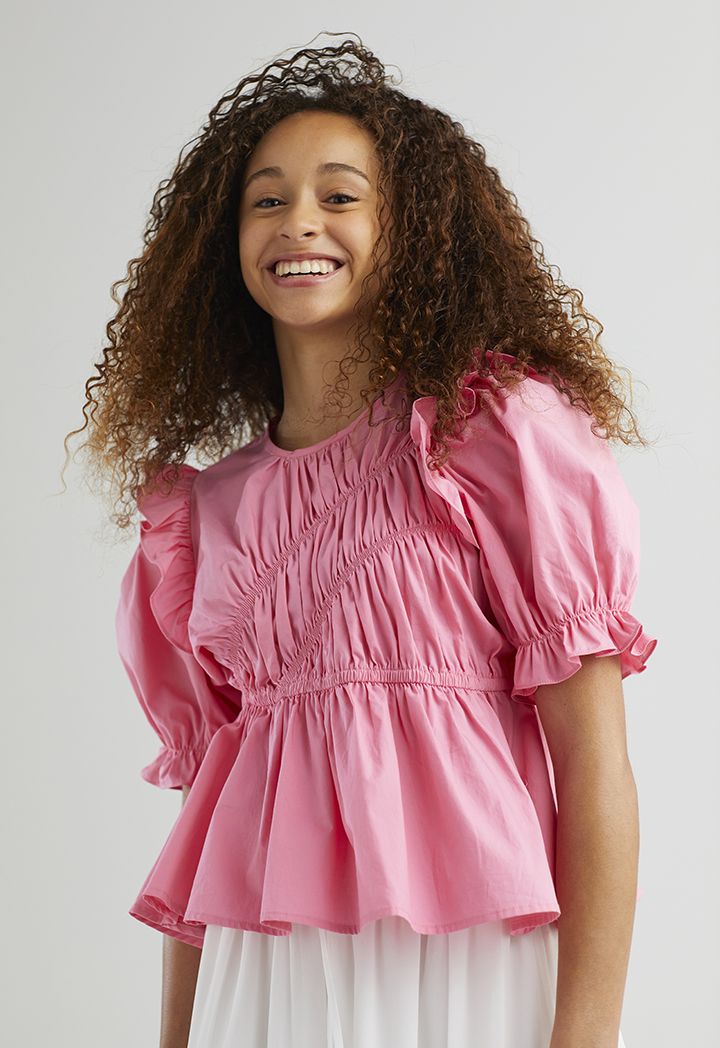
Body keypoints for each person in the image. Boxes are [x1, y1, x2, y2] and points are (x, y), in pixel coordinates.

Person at [71, 33, 658, 1048]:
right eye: (265, 199)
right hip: (268, 978)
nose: (299, 219)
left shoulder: (490, 433)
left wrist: (588, 1037)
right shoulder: (207, 517)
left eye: (340, 195)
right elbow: (207, 834)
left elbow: (595, 764)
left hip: (464, 965)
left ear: (414, 229)